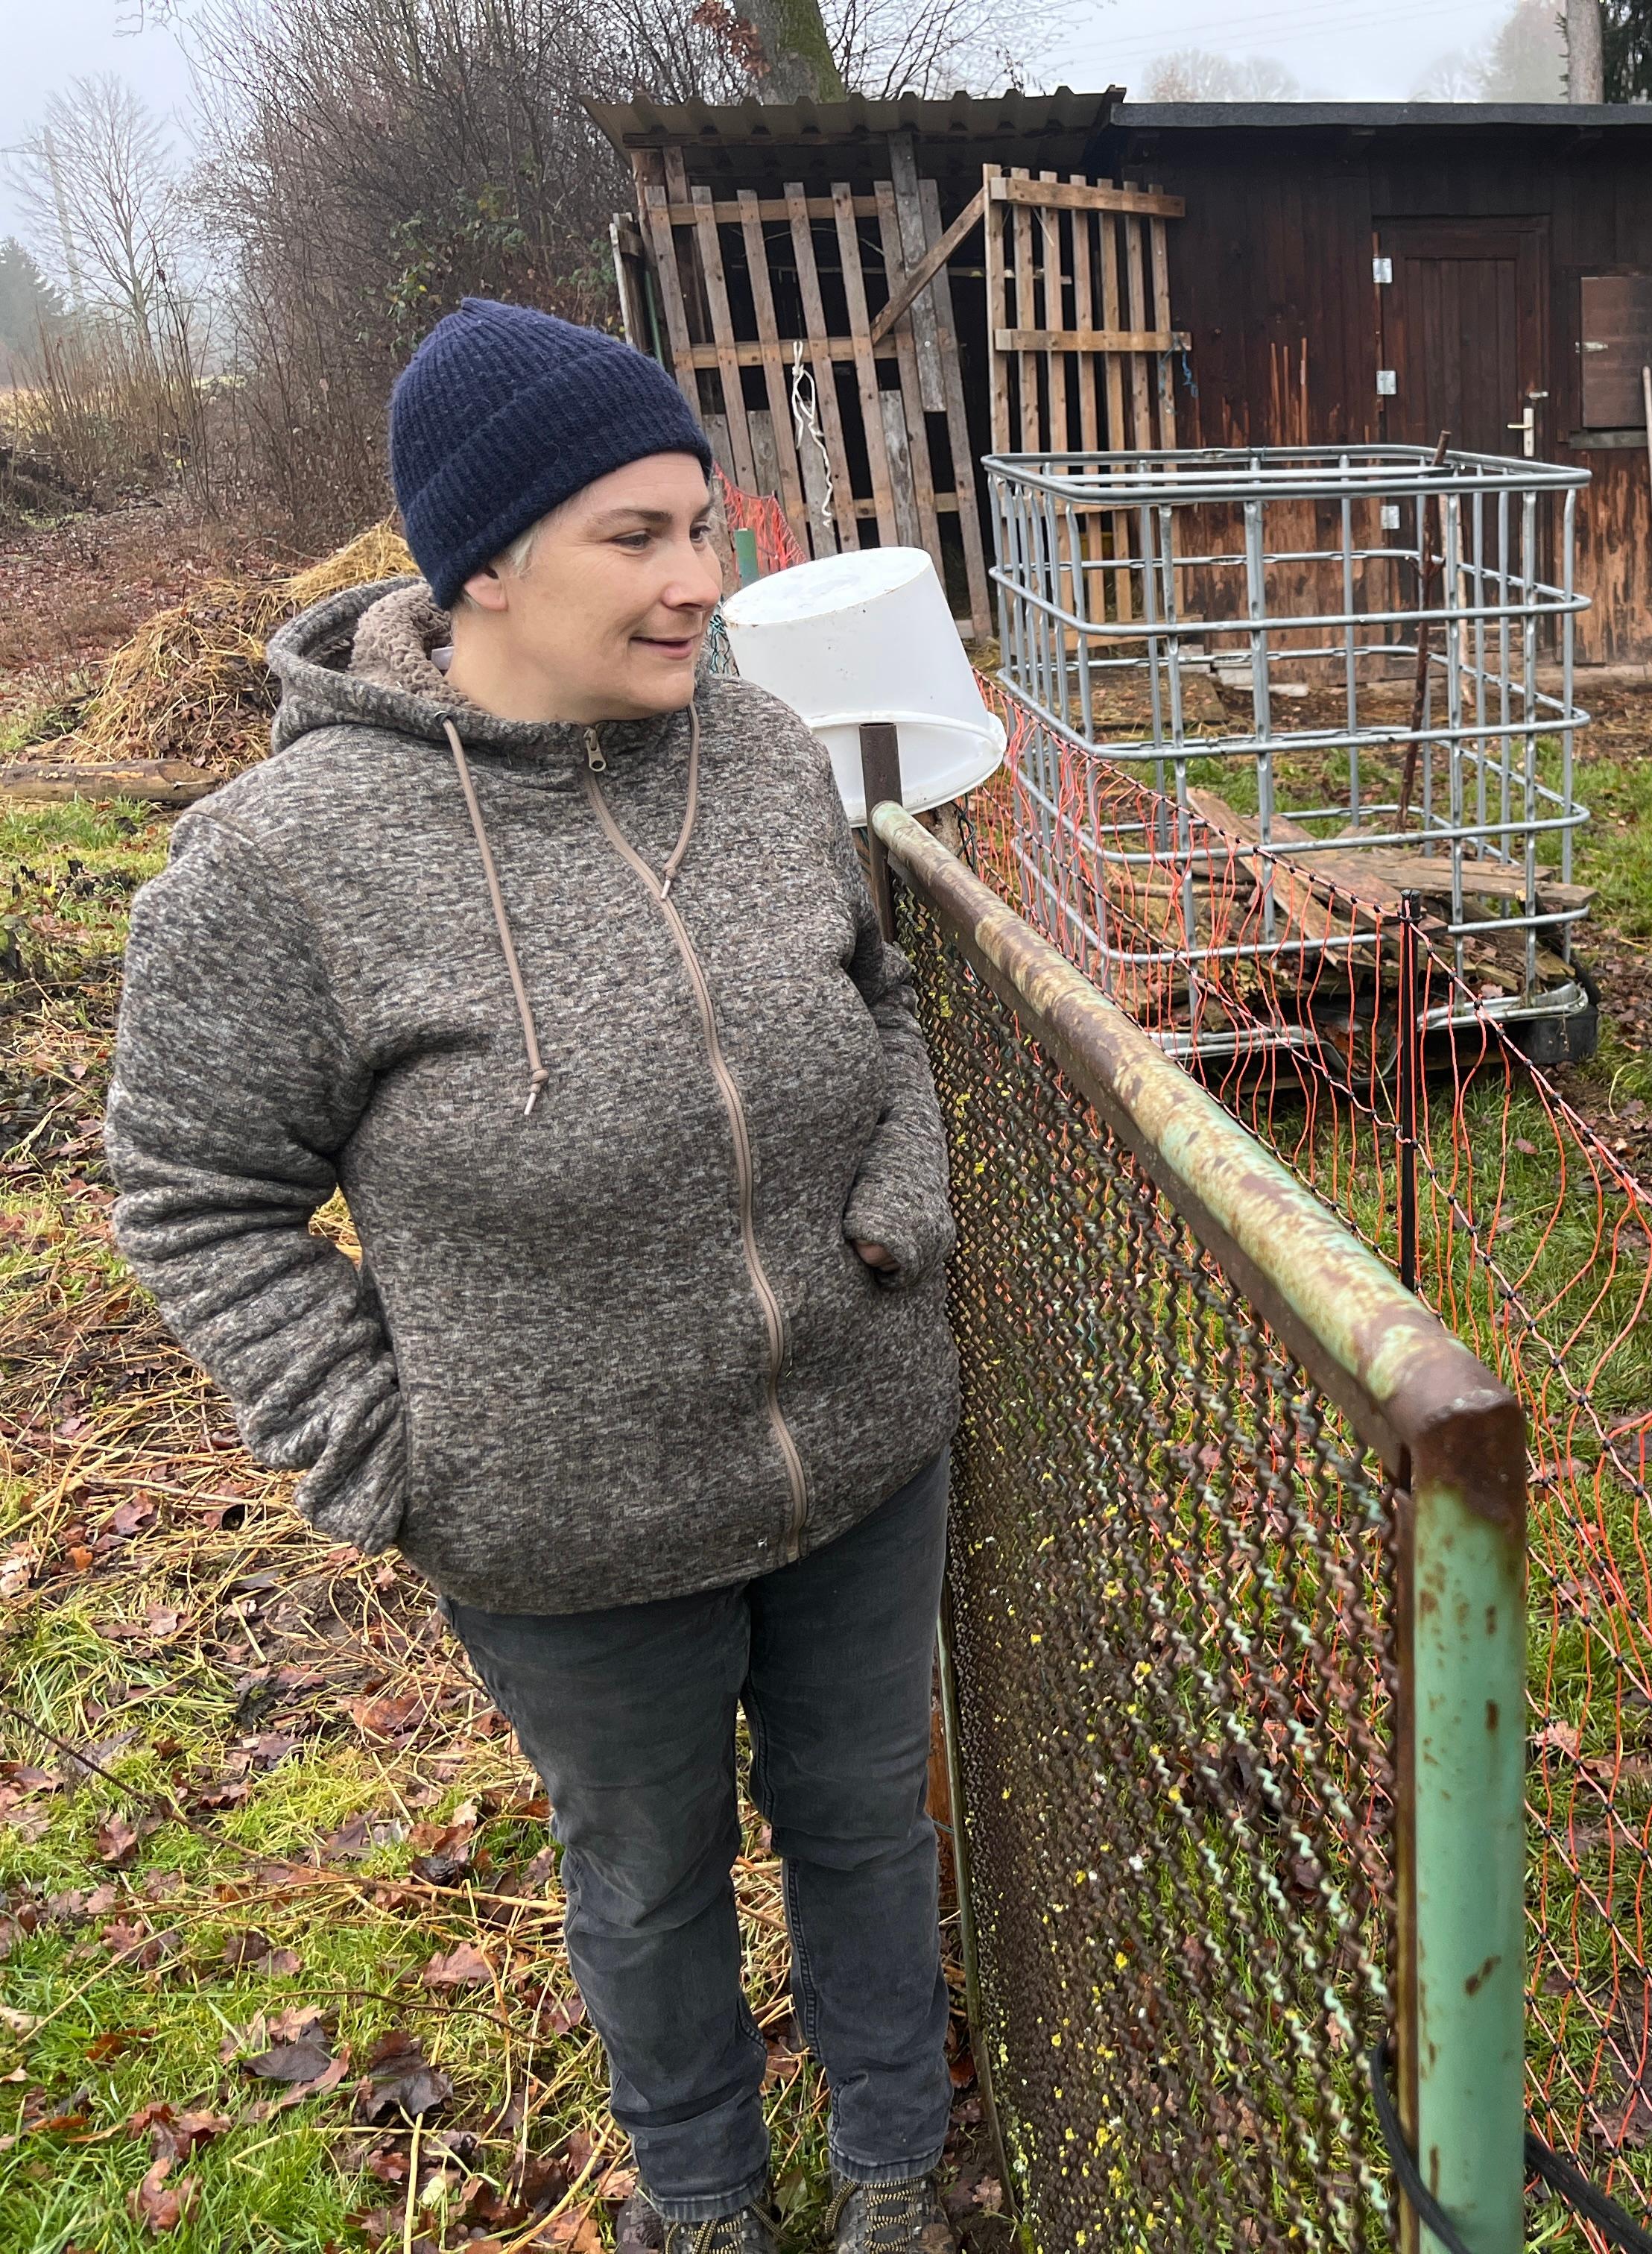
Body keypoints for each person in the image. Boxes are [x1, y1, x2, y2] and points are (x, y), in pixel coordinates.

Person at [104, 299, 964, 2254]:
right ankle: (706, 2199)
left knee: (861, 1831)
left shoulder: (756, 750)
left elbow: (879, 994)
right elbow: (188, 1189)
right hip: (562, 1535)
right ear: (481, 559)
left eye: (701, 527)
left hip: (860, 1445)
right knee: (650, 1882)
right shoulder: (285, 865)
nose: (697, 584)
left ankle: (900, 2180)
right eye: (636, 538)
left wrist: (901, 1211)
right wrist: (384, 1445)